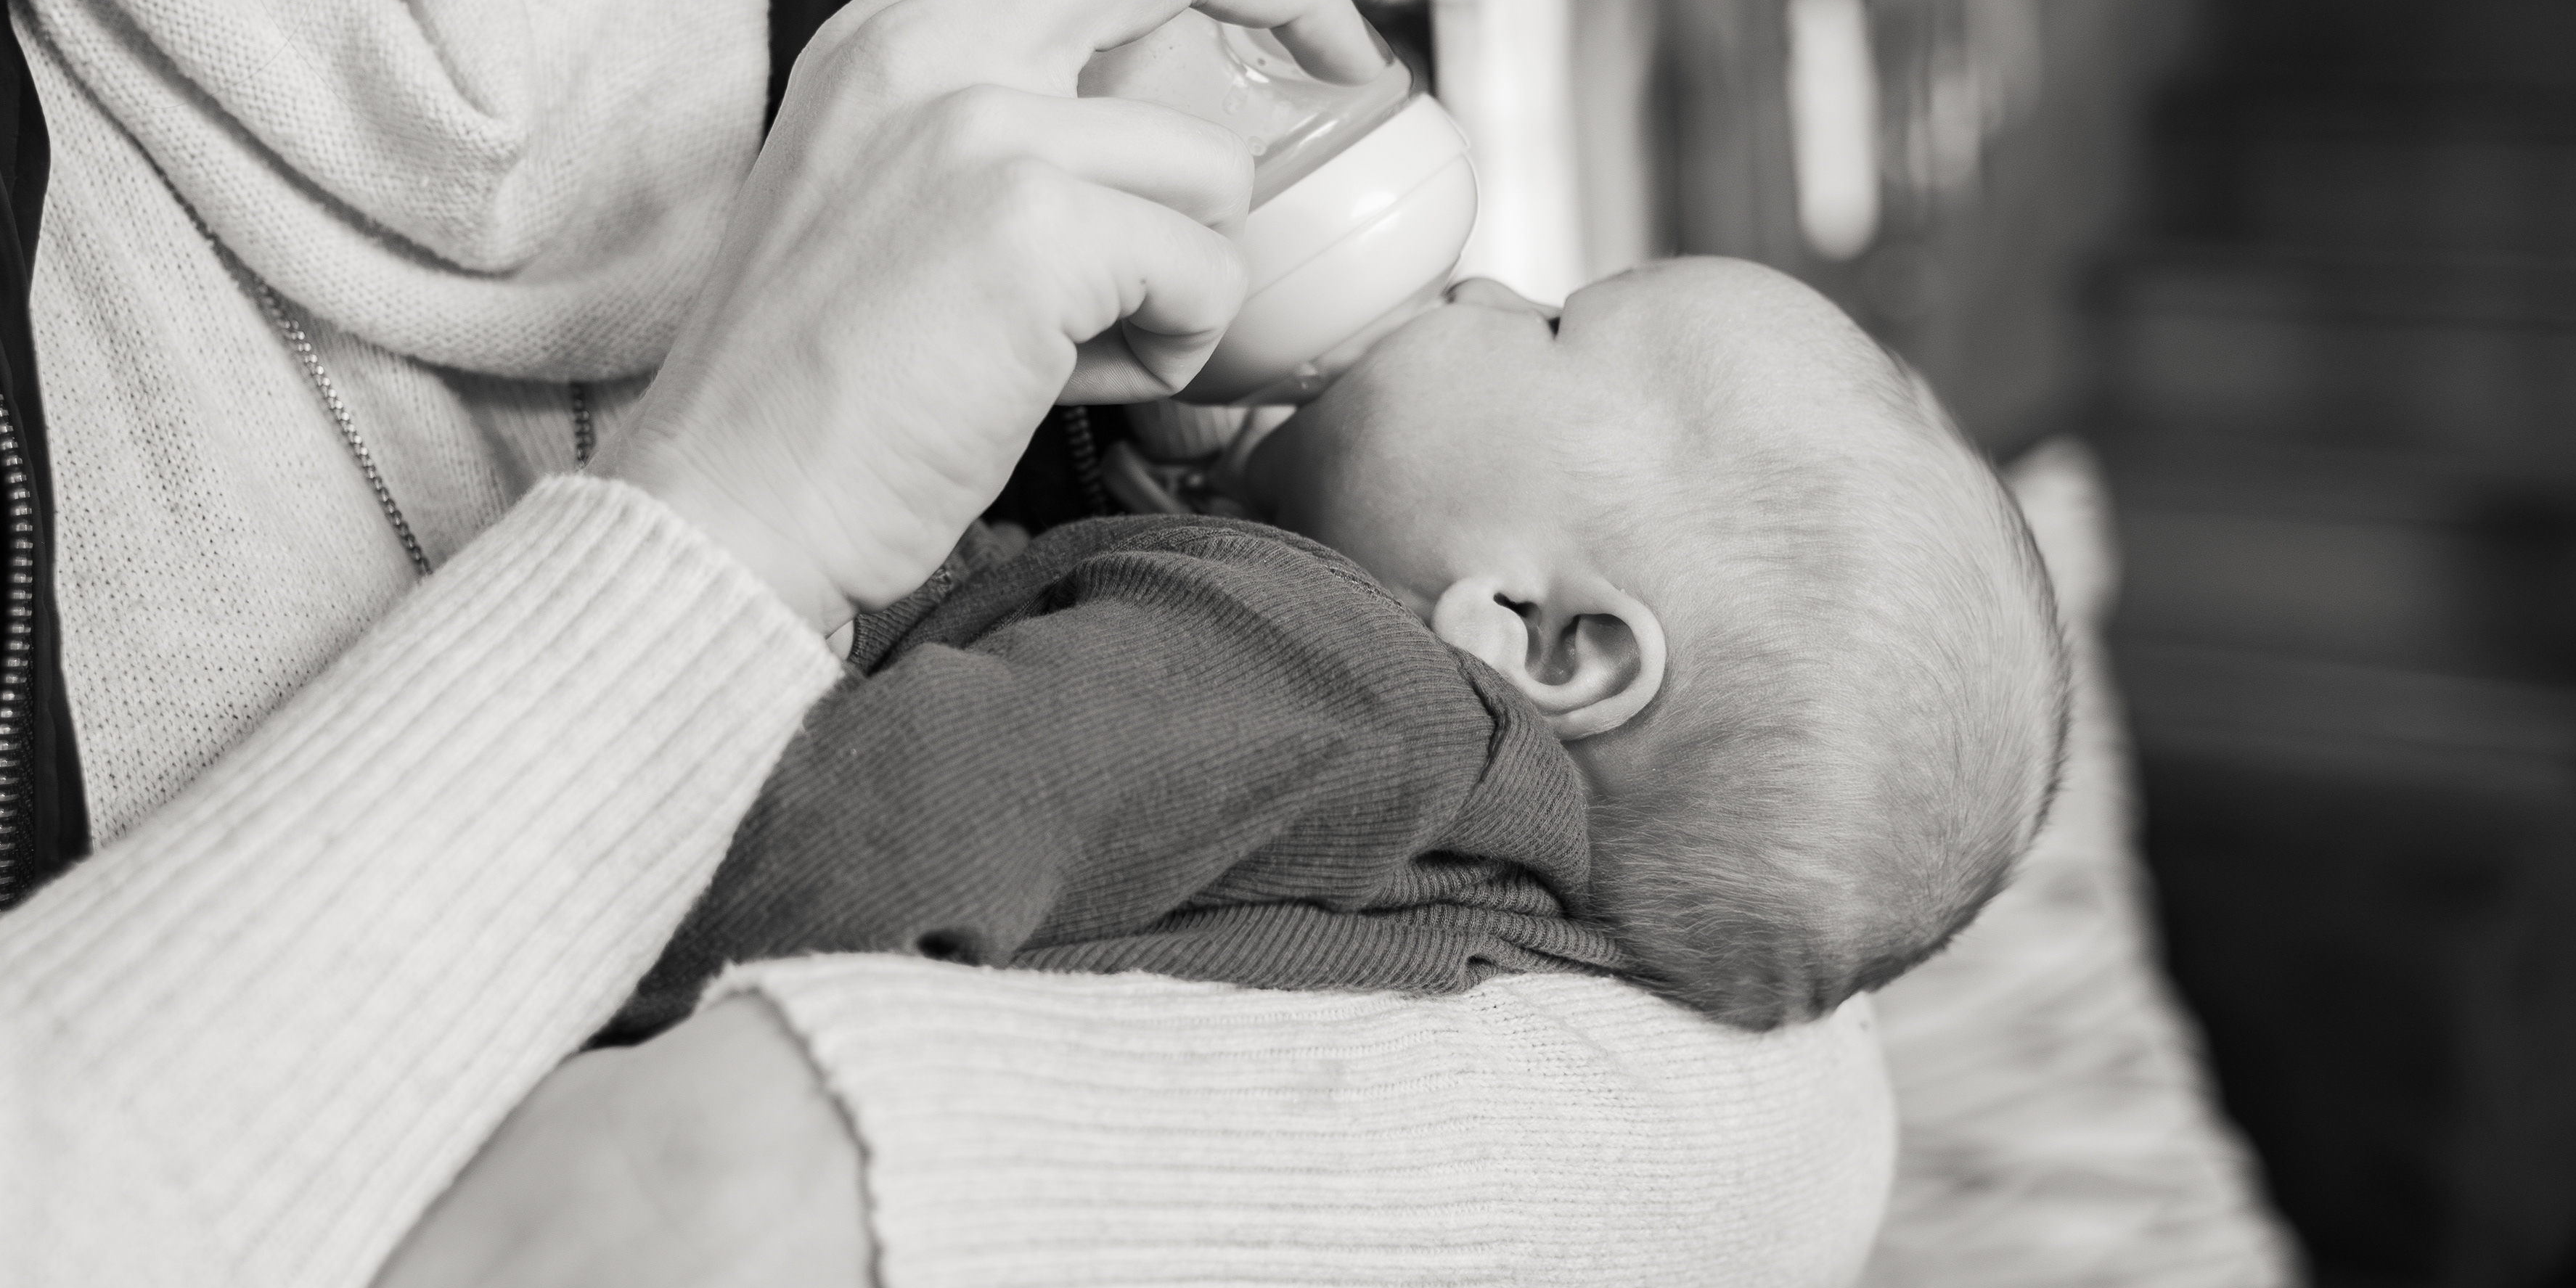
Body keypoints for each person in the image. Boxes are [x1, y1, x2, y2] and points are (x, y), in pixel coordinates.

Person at [0, 0, 1897, 1288]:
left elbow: (1784, 1038)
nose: (1495, 302)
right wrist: (730, 513)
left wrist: (816, 1190)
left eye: (1549, 321)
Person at [629, 258, 2067, 1036]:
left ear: (1541, 641)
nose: (1485, 286)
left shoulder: (1336, 679)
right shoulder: (1462, 872)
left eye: (1551, 324)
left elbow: (882, 844)